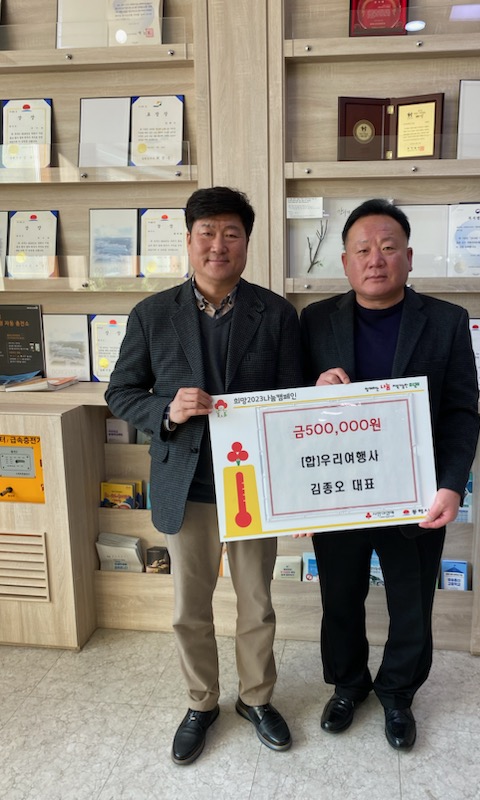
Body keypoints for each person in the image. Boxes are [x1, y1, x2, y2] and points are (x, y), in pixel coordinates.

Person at [105, 186, 303, 765]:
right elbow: (121, 392)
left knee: (257, 604)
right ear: (189, 241)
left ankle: (256, 698)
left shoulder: (277, 313)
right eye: (207, 233)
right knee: (189, 608)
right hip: (185, 484)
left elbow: (293, 400)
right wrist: (166, 410)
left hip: (253, 486)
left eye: (231, 233)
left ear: (247, 242)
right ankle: (201, 702)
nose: (219, 245)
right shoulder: (152, 314)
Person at [299, 198, 480, 750]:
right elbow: (289, 406)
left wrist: (451, 484)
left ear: (409, 256)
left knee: (411, 603)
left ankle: (398, 694)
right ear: (345, 262)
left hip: (416, 494)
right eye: (362, 250)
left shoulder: (446, 321)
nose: (375, 259)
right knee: (340, 598)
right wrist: (313, 392)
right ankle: (348, 685)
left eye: (387, 247)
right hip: (340, 492)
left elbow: (461, 410)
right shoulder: (314, 320)